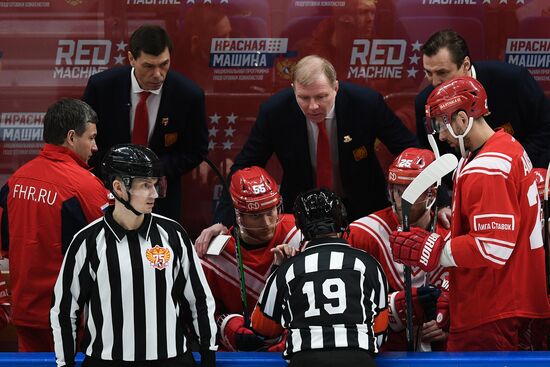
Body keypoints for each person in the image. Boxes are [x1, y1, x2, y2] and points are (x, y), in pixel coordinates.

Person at [391, 76, 550, 351]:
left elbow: (494, 246)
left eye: (441, 124)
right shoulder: (502, 147)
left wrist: (435, 249)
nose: (440, 135)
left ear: (462, 119)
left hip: (493, 305)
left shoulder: (486, 168)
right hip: (499, 300)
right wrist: (453, 288)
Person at [50, 144, 217, 367]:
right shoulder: (87, 241)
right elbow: (64, 310)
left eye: (155, 185)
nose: (155, 193)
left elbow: (200, 301)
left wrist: (208, 357)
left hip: (171, 360)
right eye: (146, 185)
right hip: (107, 361)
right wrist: (65, 363)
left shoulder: (173, 234)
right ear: (119, 188)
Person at [215, 55, 419, 225]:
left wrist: (443, 202)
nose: (313, 106)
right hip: (301, 211)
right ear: (293, 89)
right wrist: (222, 222)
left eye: (321, 97)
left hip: (363, 208)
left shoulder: (365, 104)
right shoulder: (275, 112)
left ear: (336, 88)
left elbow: (410, 150)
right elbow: (244, 167)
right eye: (304, 98)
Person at [0, 98, 109, 352]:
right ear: (72, 137)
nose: (95, 147)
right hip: (68, 318)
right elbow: (110, 251)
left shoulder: (16, 180)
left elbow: (4, 244)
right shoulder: (86, 186)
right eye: (91, 138)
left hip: (25, 312)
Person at [82, 24, 207, 222]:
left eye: (164, 64)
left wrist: (155, 170)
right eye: (148, 66)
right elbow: (85, 141)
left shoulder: (188, 95)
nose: (158, 74)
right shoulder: (102, 87)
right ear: (131, 58)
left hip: (161, 199)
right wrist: (116, 170)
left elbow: (196, 150)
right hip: (108, 190)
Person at [250, 188, 388, 366]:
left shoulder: (288, 269)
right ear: (342, 222)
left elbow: (262, 329)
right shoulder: (369, 265)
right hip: (358, 359)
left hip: (305, 360)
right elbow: (379, 333)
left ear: (301, 227)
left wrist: (277, 267)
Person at [346, 147, 449, 351]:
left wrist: (449, 324)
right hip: (381, 352)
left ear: (432, 193)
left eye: (412, 190)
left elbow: (472, 297)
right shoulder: (362, 233)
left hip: (440, 355)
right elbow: (344, 301)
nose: (402, 199)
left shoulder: (452, 235)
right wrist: (394, 306)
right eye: (397, 190)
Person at [196, 166, 301, 352]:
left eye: (271, 212)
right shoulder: (214, 255)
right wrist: (228, 326)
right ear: (238, 215)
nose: (267, 223)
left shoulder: (299, 233)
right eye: (256, 216)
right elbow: (202, 312)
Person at [415, 29, 550, 168]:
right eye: (428, 73)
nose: (435, 82)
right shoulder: (425, 103)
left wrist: (511, 165)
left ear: (465, 64)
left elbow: (545, 130)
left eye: (442, 72)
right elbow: (435, 161)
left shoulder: (512, 81)